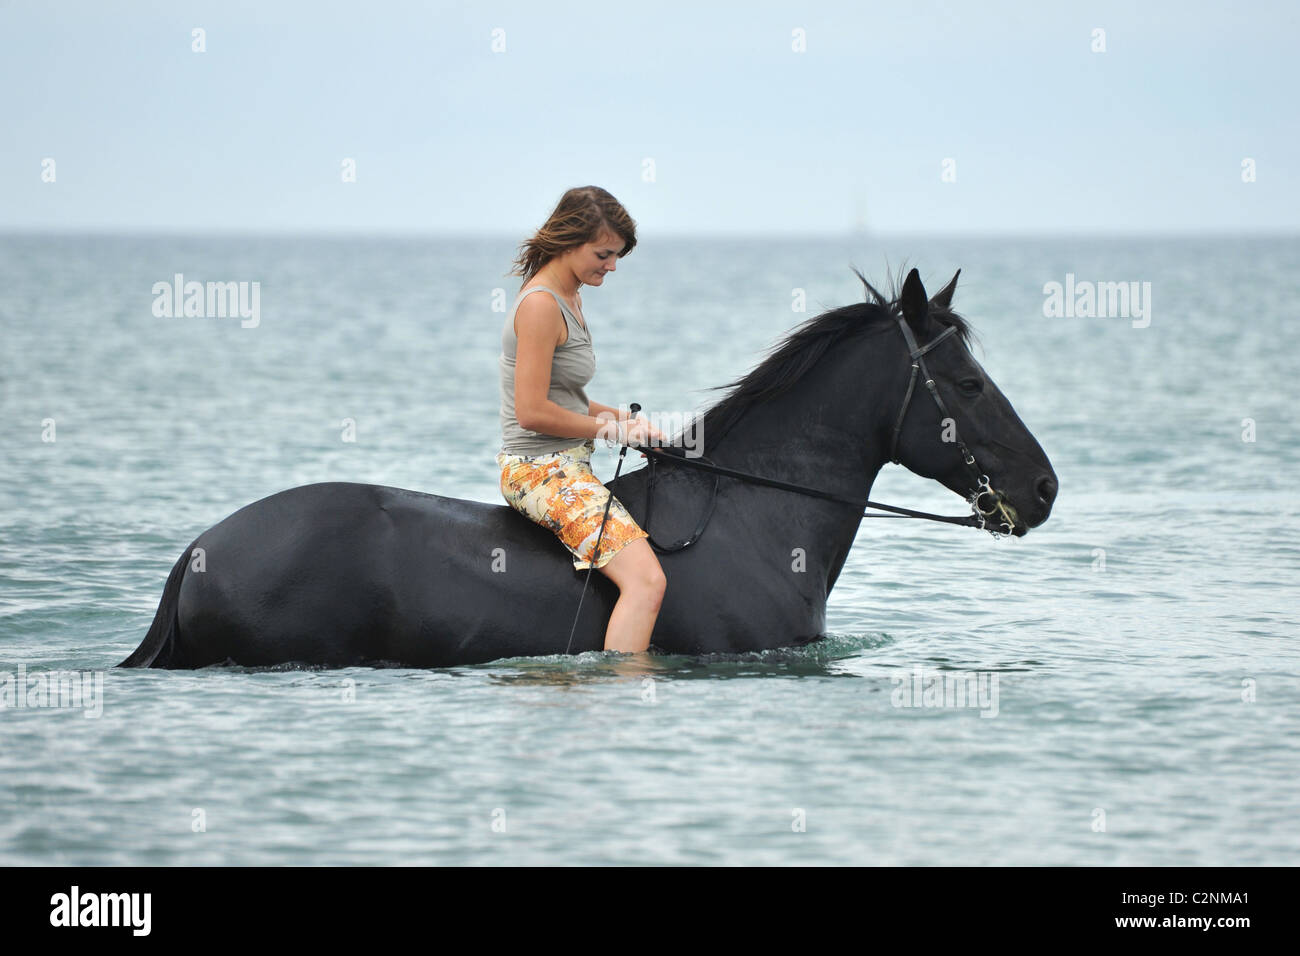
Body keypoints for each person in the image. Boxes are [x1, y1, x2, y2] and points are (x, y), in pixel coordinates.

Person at [497, 186, 668, 654]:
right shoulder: (541, 305)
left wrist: (625, 423)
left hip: (571, 462)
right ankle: (622, 693)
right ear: (569, 241)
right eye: (604, 254)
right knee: (647, 582)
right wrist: (611, 430)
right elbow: (531, 412)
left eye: (617, 256)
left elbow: (566, 398)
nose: (612, 266)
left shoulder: (570, 295)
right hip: (539, 470)